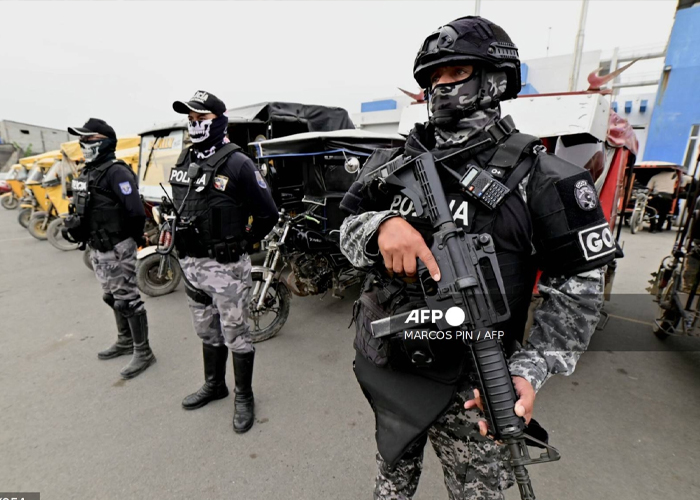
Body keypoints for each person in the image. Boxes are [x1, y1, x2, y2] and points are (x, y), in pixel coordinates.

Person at [339, 16, 618, 499]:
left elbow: (577, 297)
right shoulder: (392, 164)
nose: (441, 88)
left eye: (456, 73)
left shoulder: (546, 178)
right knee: (390, 483)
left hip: (475, 385)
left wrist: (528, 372)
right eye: (433, 79)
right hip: (391, 366)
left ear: (495, 79)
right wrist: (380, 226)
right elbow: (341, 232)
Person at [170, 90, 278, 433]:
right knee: (206, 330)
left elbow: (268, 214)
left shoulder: (238, 163)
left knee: (236, 334)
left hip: (227, 269)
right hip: (191, 265)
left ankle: (244, 396)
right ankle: (215, 385)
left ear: (219, 120)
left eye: (201, 118)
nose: (194, 124)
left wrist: (243, 242)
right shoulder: (186, 158)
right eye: (190, 119)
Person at [65, 118, 155, 379]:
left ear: (104, 141)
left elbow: (136, 213)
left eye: (89, 139)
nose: (83, 144)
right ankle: (125, 340)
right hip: (97, 247)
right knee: (111, 298)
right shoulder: (89, 171)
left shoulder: (116, 172)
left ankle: (144, 351)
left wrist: (132, 240)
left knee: (128, 301)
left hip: (117, 246)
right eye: (81, 139)